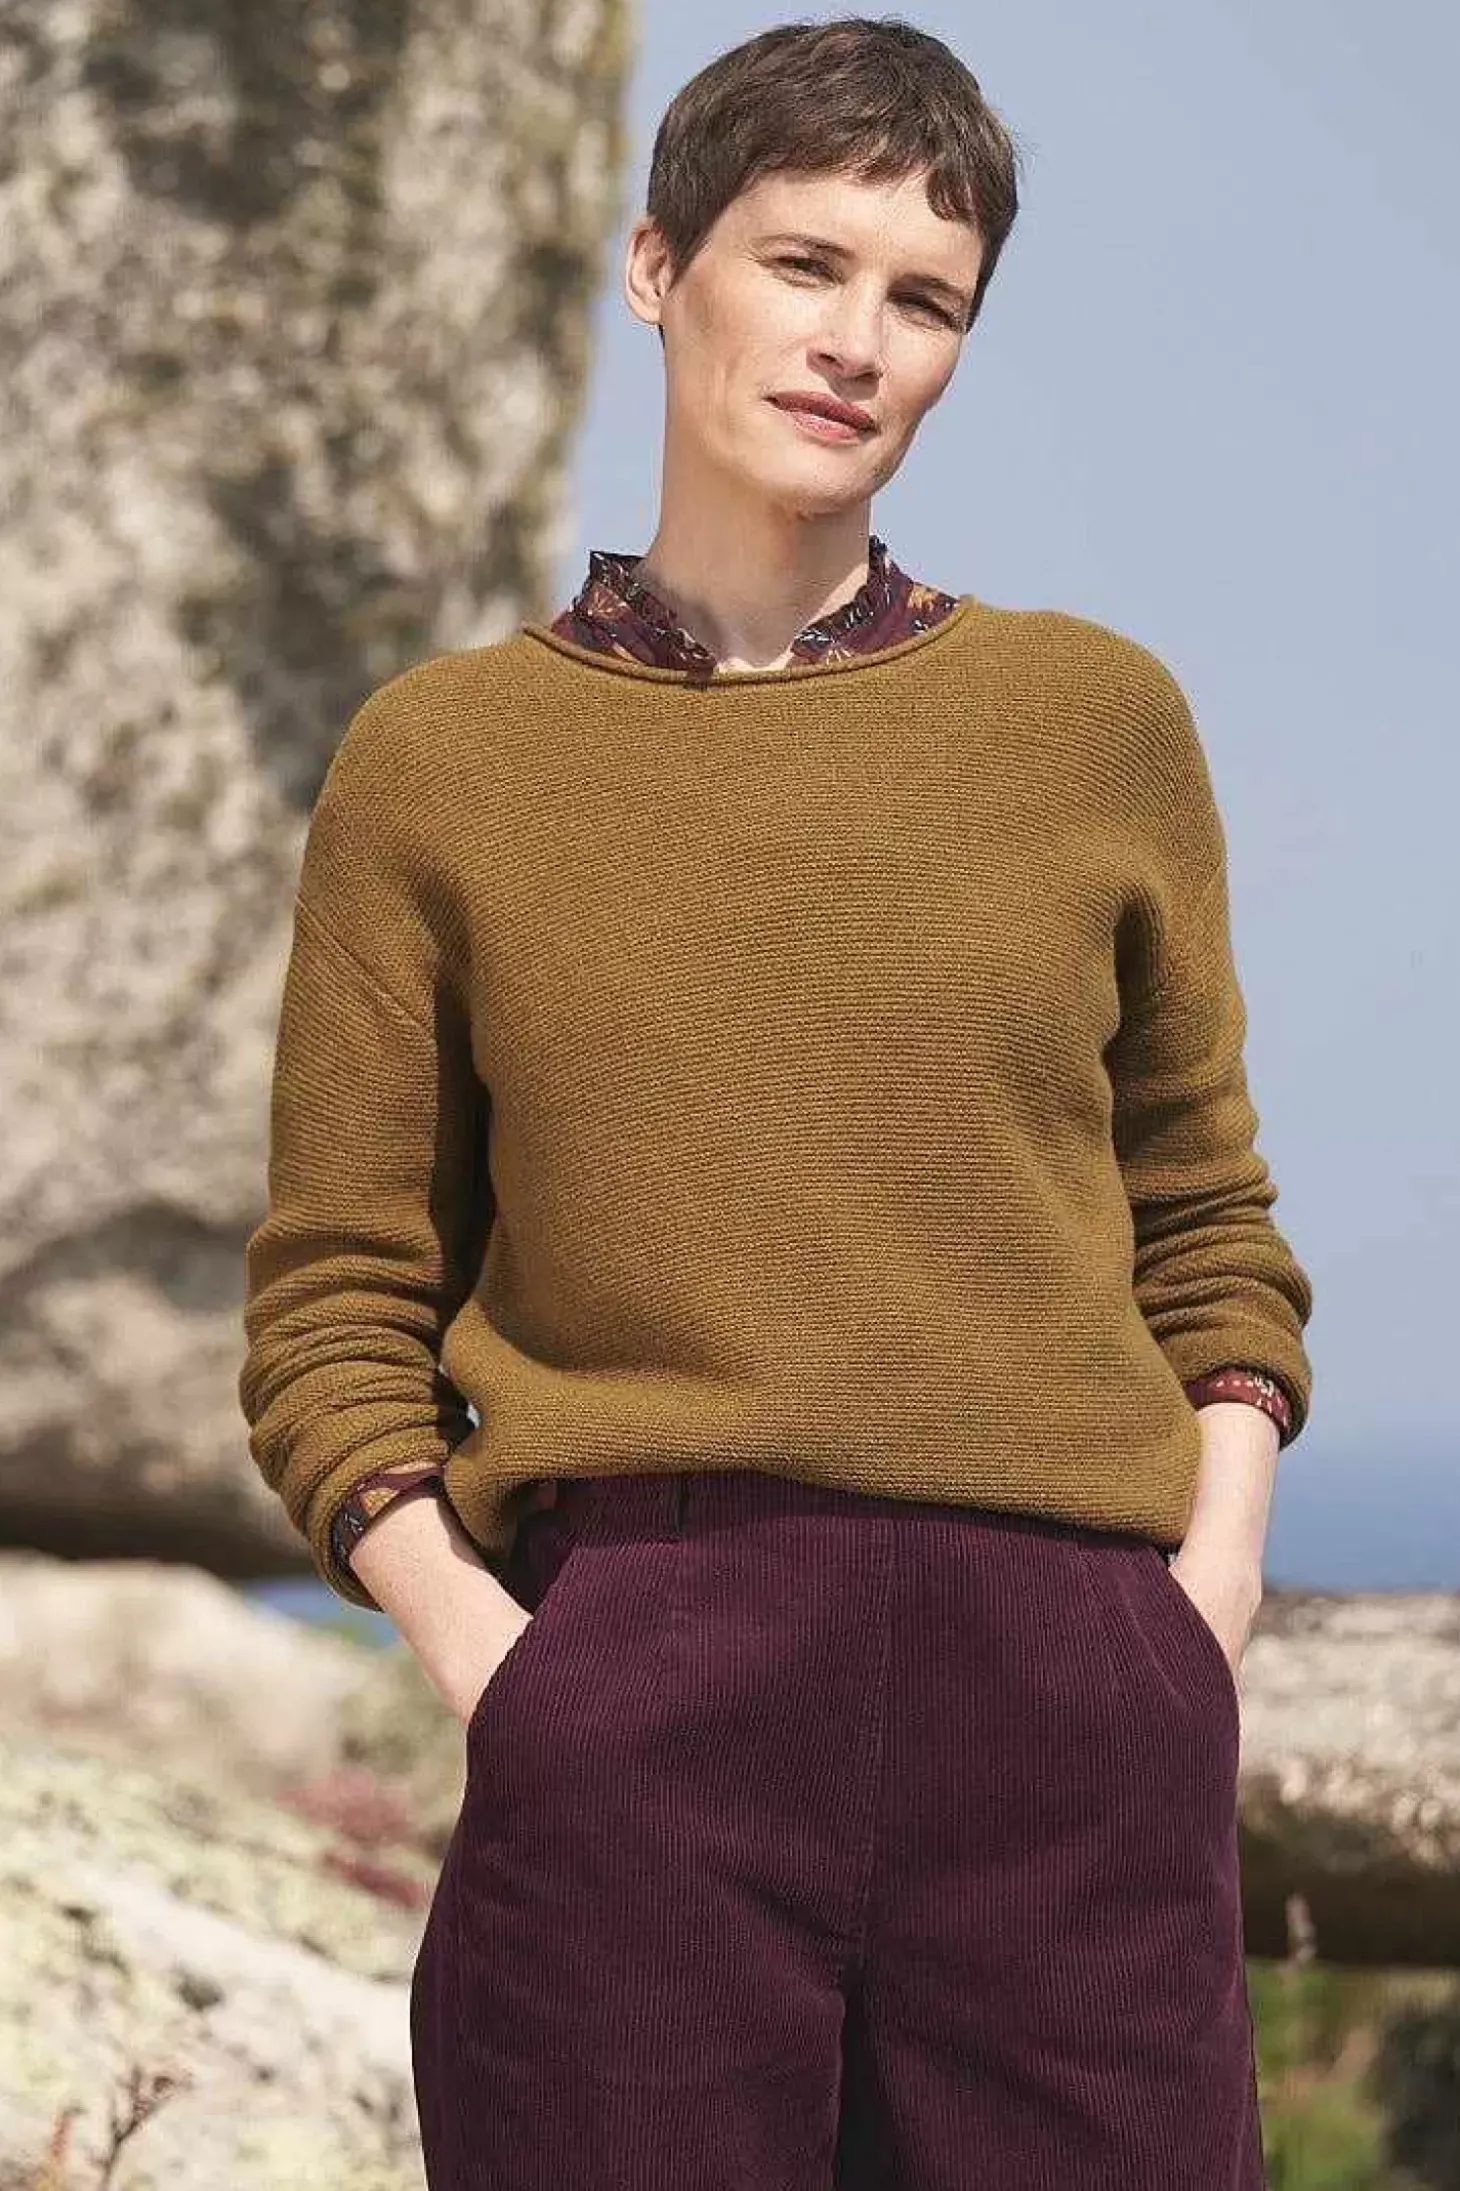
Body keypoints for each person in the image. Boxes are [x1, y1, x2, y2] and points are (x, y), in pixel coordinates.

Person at [238, 17, 1313, 2188]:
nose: (857, 342)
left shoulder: (1091, 722)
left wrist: (1196, 1607)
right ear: (658, 268)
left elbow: (1203, 1223)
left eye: (924, 300)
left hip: (1071, 1715)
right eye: (804, 264)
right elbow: (337, 1303)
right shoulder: (442, 765)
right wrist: (510, 1669)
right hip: (639, 1708)